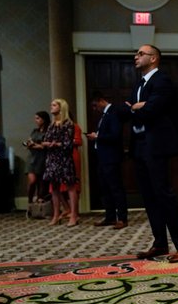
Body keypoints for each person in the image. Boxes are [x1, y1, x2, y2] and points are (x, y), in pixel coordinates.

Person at [125, 44, 178, 263]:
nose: (136, 56)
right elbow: (131, 110)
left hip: (156, 146)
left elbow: (151, 110)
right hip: (139, 145)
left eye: (141, 53)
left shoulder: (162, 80)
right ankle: (160, 243)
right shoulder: (140, 84)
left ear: (153, 58)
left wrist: (139, 107)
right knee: (149, 196)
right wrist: (137, 107)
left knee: (163, 194)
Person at [86, 92, 128, 229]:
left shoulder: (113, 112)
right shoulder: (104, 115)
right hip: (102, 157)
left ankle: (122, 218)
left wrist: (97, 137)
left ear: (101, 101)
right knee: (105, 188)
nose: (94, 108)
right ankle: (110, 216)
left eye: (94, 105)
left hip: (111, 156)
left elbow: (115, 135)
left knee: (116, 188)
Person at [42, 99, 80, 227]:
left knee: (70, 186)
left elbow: (69, 143)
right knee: (54, 188)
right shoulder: (51, 125)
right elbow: (45, 140)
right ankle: (56, 215)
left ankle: (74, 215)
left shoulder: (68, 124)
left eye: (54, 105)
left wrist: (56, 144)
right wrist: (47, 143)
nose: (51, 107)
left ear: (61, 107)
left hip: (64, 158)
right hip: (52, 158)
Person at [24, 111, 51, 206]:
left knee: (41, 182)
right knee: (32, 181)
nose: (36, 120)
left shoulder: (48, 131)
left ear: (43, 119)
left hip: (42, 158)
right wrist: (30, 144)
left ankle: (40, 200)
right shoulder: (35, 131)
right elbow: (29, 142)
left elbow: (44, 146)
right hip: (32, 158)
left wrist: (35, 145)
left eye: (38, 118)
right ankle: (29, 202)